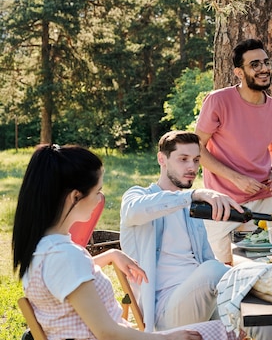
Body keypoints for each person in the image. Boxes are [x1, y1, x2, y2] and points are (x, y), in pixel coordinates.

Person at [12, 144, 241, 340]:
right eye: (97, 191)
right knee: (235, 330)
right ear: (75, 196)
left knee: (230, 328)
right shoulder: (64, 256)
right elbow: (107, 333)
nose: (101, 199)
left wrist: (110, 256)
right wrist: (166, 338)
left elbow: (63, 278)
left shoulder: (43, 248)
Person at [120, 131, 272, 340]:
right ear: (162, 159)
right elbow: (135, 210)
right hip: (166, 314)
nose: (192, 168)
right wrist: (193, 195)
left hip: (204, 301)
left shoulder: (193, 209)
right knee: (215, 270)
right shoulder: (138, 196)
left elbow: (206, 259)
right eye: (183, 159)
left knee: (259, 315)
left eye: (196, 160)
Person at [195, 38, 272, 265]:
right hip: (223, 202)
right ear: (239, 72)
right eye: (255, 64)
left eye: (266, 62)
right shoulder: (218, 101)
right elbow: (196, 147)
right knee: (222, 269)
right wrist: (236, 178)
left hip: (264, 200)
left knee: (266, 265)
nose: (264, 68)